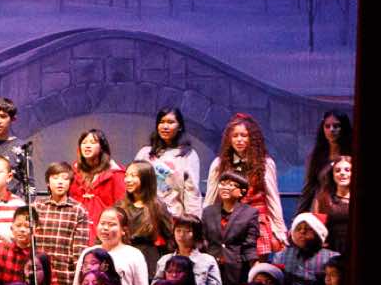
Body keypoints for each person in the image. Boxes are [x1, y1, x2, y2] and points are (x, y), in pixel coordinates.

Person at [205, 112, 286, 256]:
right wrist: (204, 225)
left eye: (244, 135)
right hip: (229, 220)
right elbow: (211, 198)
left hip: (257, 220)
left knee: (257, 264)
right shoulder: (219, 164)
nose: (239, 140)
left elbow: (272, 198)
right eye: (235, 136)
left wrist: (279, 229)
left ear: (252, 138)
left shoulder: (265, 163)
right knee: (230, 263)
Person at [154, 217, 235, 285]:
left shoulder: (207, 261)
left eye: (187, 231)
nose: (181, 235)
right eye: (178, 230)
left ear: (196, 234)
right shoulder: (164, 261)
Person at [135, 107, 202, 221]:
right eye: (161, 122)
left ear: (180, 126)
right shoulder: (145, 153)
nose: (165, 126)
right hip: (144, 216)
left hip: (173, 218)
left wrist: (192, 221)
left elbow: (192, 193)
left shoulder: (188, 155)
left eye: (170, 122)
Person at [92, 207, 150, 285]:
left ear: (123, 230)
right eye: (102, 223)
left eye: (111, 224)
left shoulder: (134, 255)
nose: (105, 228)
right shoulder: (88, 253)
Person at [297, 110, 352, 215]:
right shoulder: (316, 157)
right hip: (321, 209)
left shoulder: (351, 155)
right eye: (327, 126)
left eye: (336, 126)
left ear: (344, 127)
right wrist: (298, 216)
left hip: (346, 209)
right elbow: (308, 189)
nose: (331, 129)